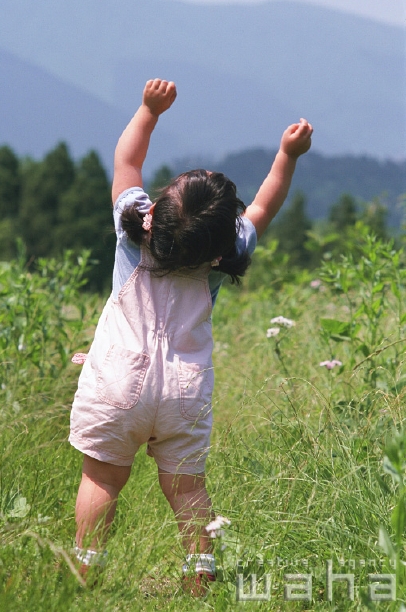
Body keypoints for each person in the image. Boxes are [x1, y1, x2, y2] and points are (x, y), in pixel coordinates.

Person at [69, 78, 313, 591]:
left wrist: (148, 112)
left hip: (116, 380)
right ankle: (199, 579)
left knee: (103, 478)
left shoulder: (133, 233)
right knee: (186, 489)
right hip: (184, 389)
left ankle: (85, 569)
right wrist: (286, 156)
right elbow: (265, 207)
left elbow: (126, 164)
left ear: (153, 213)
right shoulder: (224, 257)